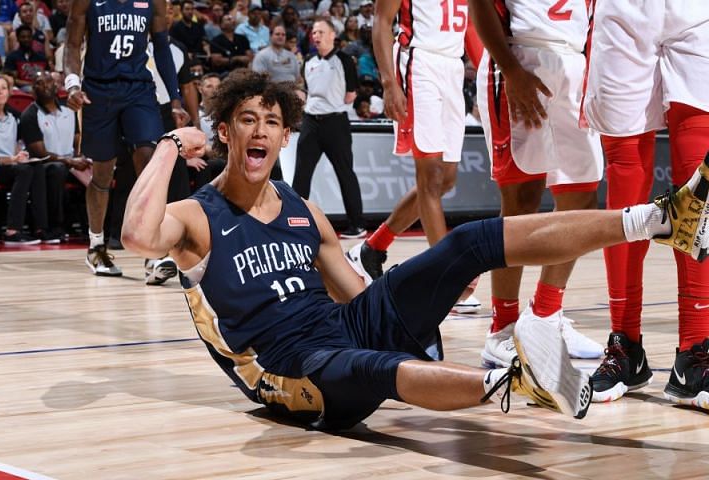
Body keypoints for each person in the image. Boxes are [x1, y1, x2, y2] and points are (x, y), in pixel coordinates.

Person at [120, 69, 709, 430]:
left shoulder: (303, 211)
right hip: (290, 370)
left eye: (271, 122)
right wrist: (172, 144)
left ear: (284, 136)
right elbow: (137, 236)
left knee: (467, 241)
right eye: (246, 120)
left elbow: (364, 302)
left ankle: (657, 218)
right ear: (224, 132)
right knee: (371, 369)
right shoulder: (198, 216)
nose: (260, 132)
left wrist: (422, 296)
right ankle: (511, 384)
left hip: (344, 325)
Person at [577, 3, 709, 407]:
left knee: (699, 181)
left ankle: (696, 349)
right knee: (627, 182)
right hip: (623, 10)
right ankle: (625, 345)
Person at [468, 0, 604, 367]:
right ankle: (502, 327)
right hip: (521, 57)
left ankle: (545, 315)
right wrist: (510, 70)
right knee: (520, 201)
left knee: (582, 198)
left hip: (574, 62)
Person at [345, 0, 483, 308]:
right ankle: (446, 276)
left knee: (445, 180)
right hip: (418, 65)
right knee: (431, 178)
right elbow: (381, 22)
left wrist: (486, 71)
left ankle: (371, 249)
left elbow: (471, 26)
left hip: (453, 67)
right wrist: (388, 83)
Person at [64, 0, 188, 280]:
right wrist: (71, 83)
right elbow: (72, 45)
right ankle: (96, 245)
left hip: (139, 89)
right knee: (103, 173)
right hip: (98, 90)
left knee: (150, 159)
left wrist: (175, 98)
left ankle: (154, 253)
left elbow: (161, 46)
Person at [292, 19, 365, 239]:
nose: (316, 35)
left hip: (336, 122)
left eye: (321, 31)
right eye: (314, 32)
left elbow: (351, 93)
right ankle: (294, 221)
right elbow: (305, 90)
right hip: (311, 122)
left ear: (333, 35)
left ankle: (357, 224)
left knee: (345, 174)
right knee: (301, 175)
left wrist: (331, 103)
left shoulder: (344, 60)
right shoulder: (308, 60)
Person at [21, 71, 90, 244]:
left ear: (57, 86)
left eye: (48, 81)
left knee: (102, 169)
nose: (45, 85)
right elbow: (40, 154)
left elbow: (77, 141)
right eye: (39, 83)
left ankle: (98, 226)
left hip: (71, 163)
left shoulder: (70, 109)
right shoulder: (29, 115)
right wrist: (69, 161)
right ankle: (56, 226)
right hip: (46, 165)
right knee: (56, 171)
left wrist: (81, 158)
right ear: (33, 90)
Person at [0, 73, 41, 246]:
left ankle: (18, 230)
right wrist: (7, 159)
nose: (0, 93)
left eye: (4, 89)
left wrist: (21, 155)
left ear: (10, 92)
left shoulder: (16, 116)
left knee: (30, 169)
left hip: (10, 164)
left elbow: (19, 143)